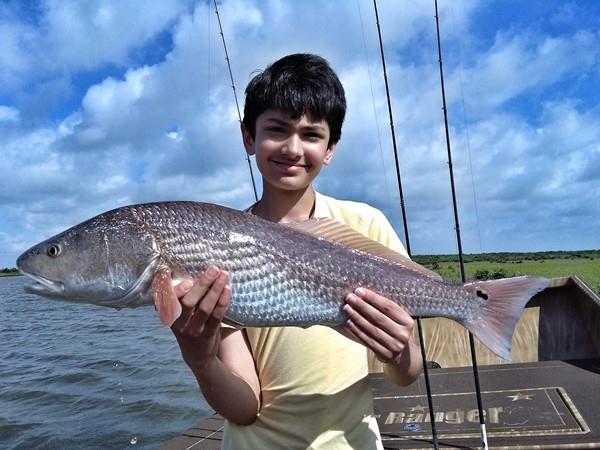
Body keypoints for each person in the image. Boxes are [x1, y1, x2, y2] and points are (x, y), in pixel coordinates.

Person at [160, 53, 423, 449]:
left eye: (312, 135)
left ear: (331, 147)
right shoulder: (217, 246)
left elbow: (407, 373)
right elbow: (246, 406)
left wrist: (399, 351)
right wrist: (200, 360)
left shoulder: (367, 225)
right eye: (277, 129)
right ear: (248, 137)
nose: (293, 147)